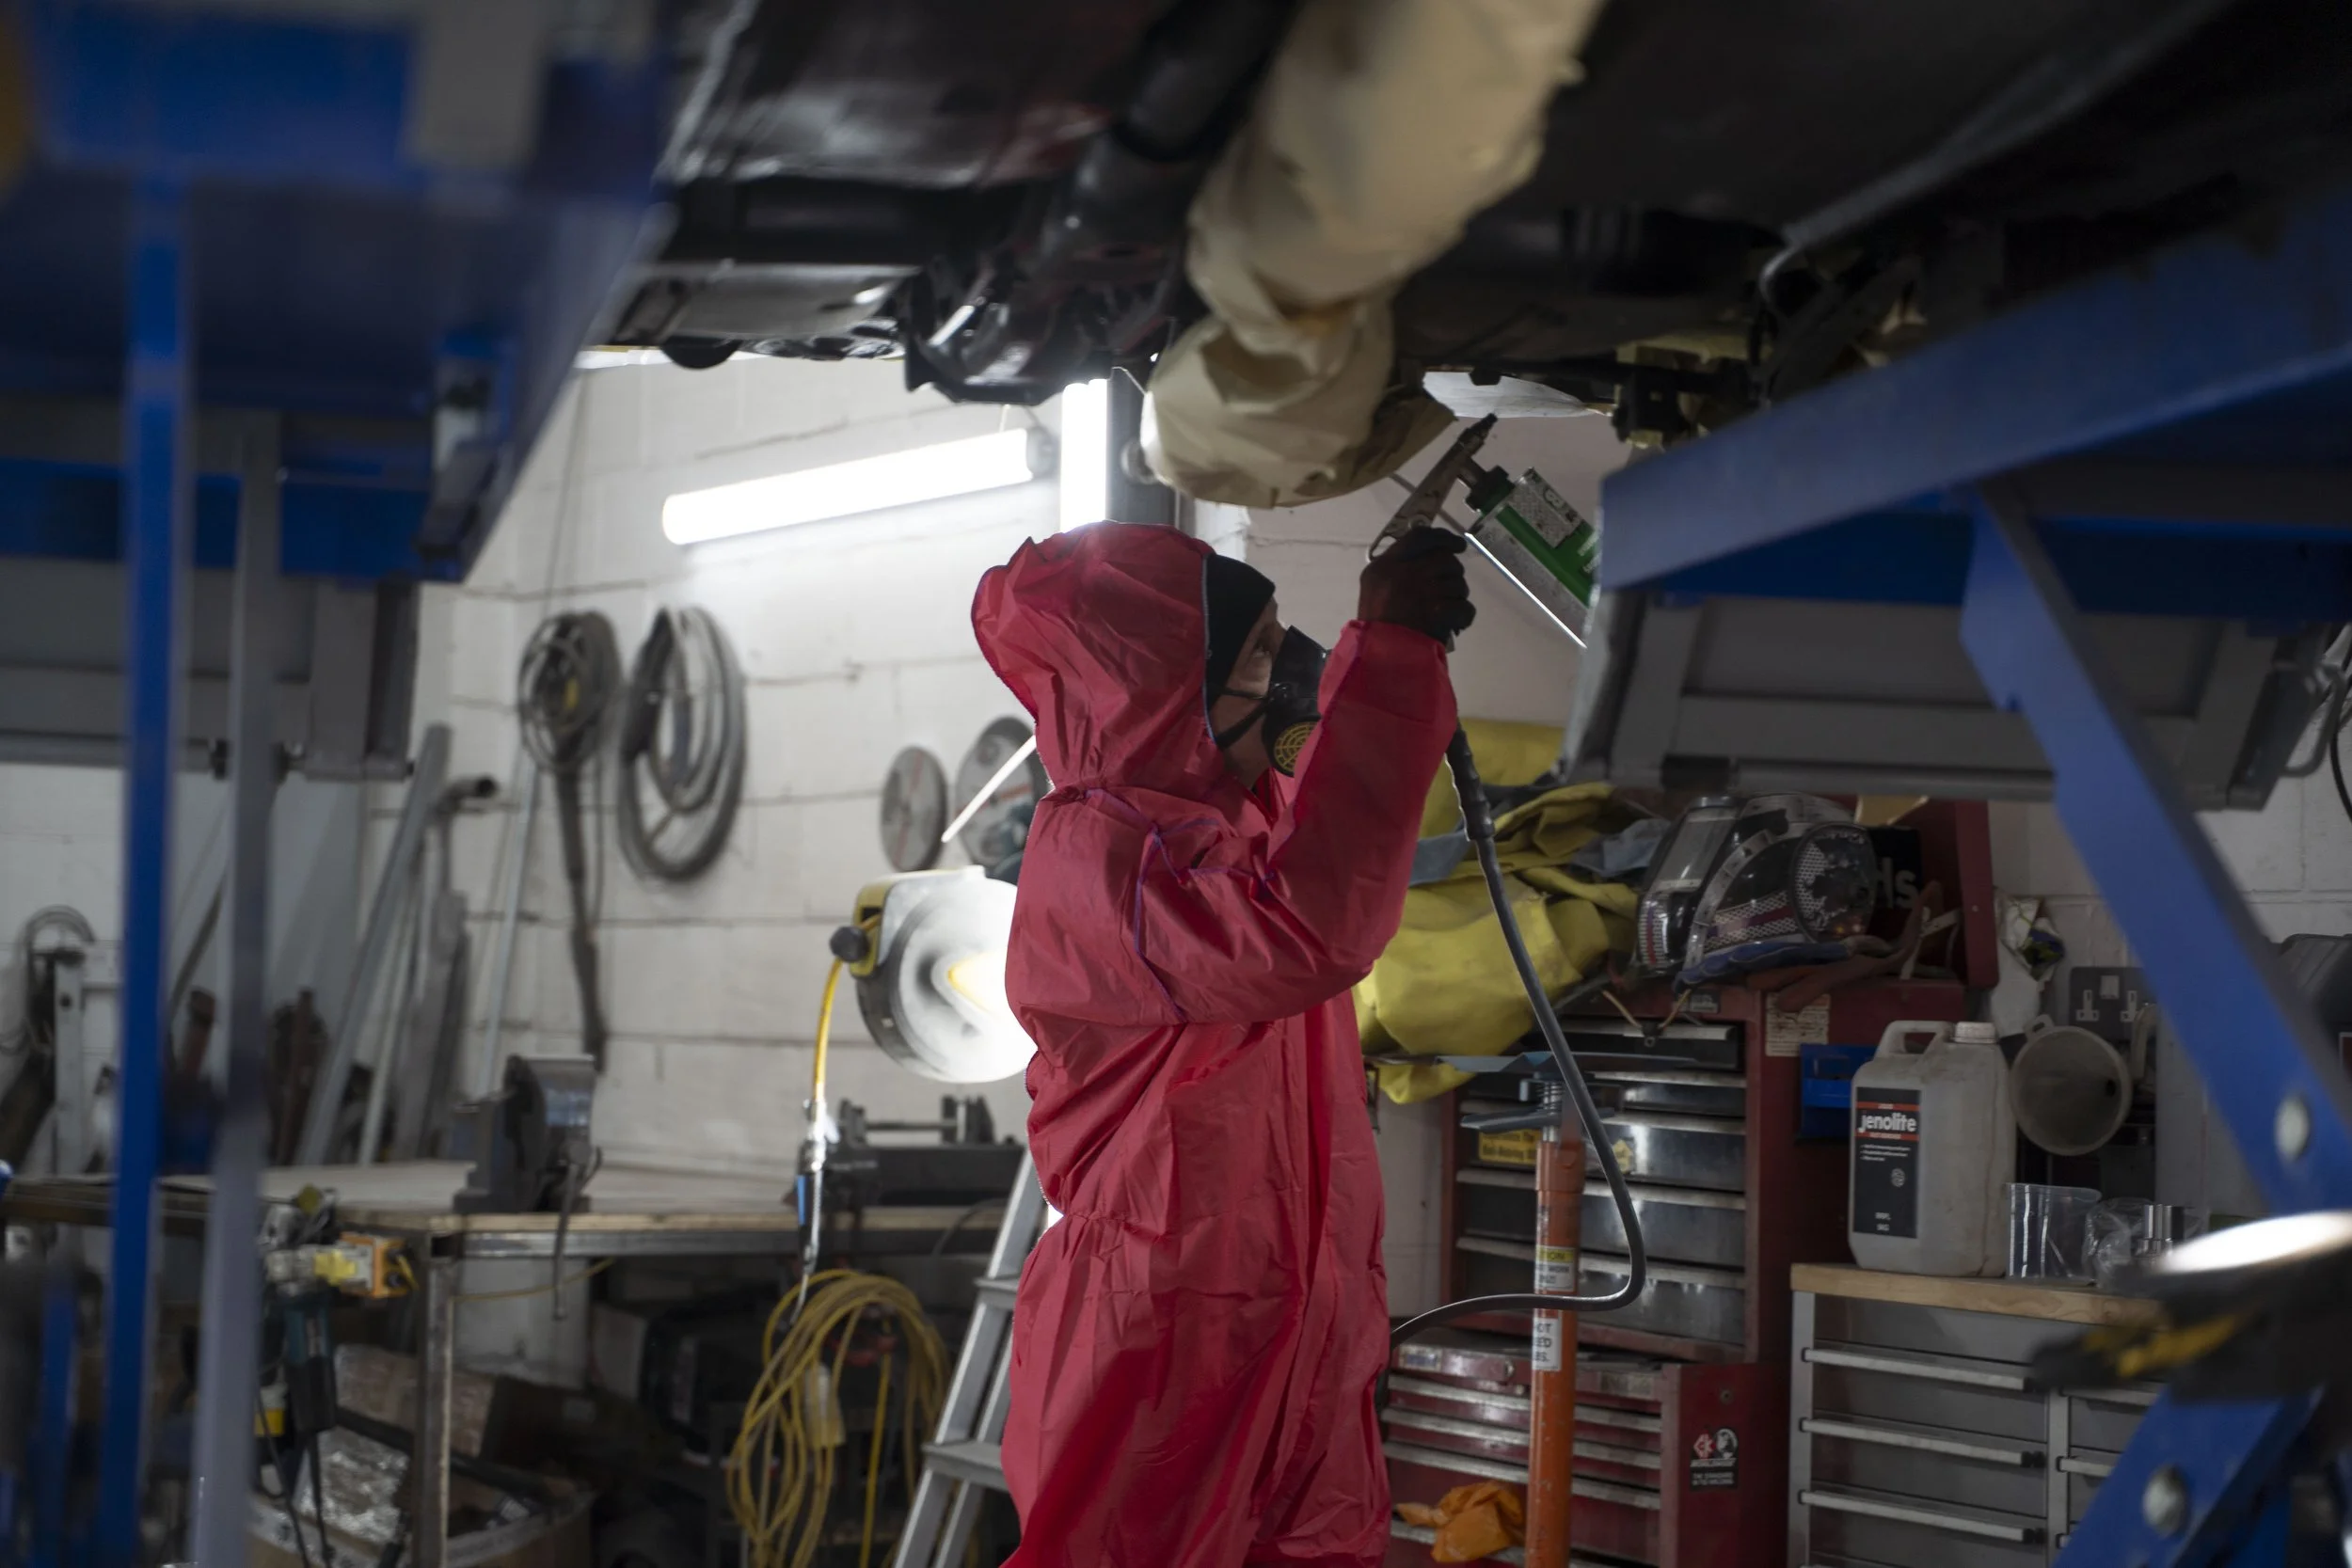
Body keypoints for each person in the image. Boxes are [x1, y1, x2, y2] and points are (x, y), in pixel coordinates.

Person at [970, 520, 1474, 1568]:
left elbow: (1338, 846)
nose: (1288, 673)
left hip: (1296, 1317)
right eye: (1258, 654)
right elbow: (1307, 928)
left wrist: (1387, 662)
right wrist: (1384, 664)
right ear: (1158, 691)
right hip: (1164, 1336)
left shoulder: (1229, 825)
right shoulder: (1098, 854)